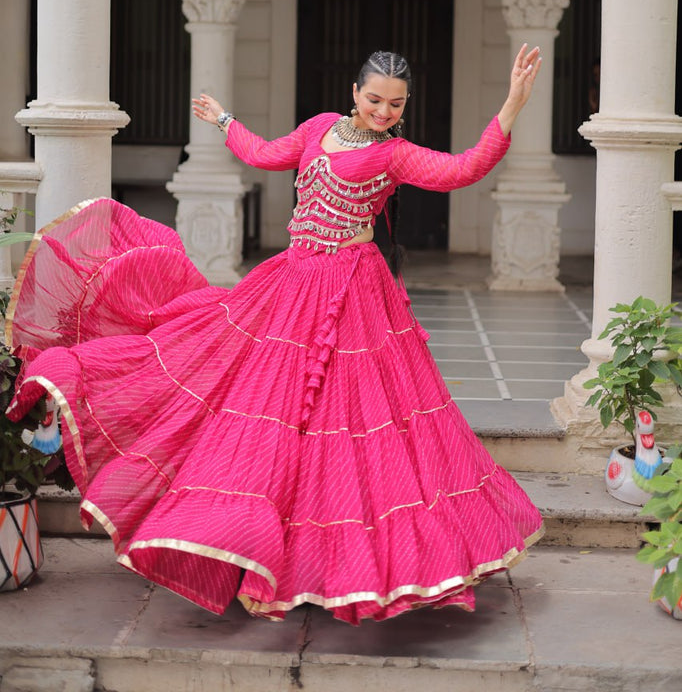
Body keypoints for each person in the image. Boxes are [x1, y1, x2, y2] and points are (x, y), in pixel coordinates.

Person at [7, 43, 543, 625]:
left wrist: (512, 104)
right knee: (255, 398)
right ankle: (253, 549)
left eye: (396, 104)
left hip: (352, 294)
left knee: (347, 418)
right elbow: (265, 154)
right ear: (354, 93)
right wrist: (225, 121)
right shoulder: (318, 128)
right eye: (374, 99)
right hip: (292, 282)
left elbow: (464, 168)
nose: (383, 111)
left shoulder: (395, 154)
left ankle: (333, 566)